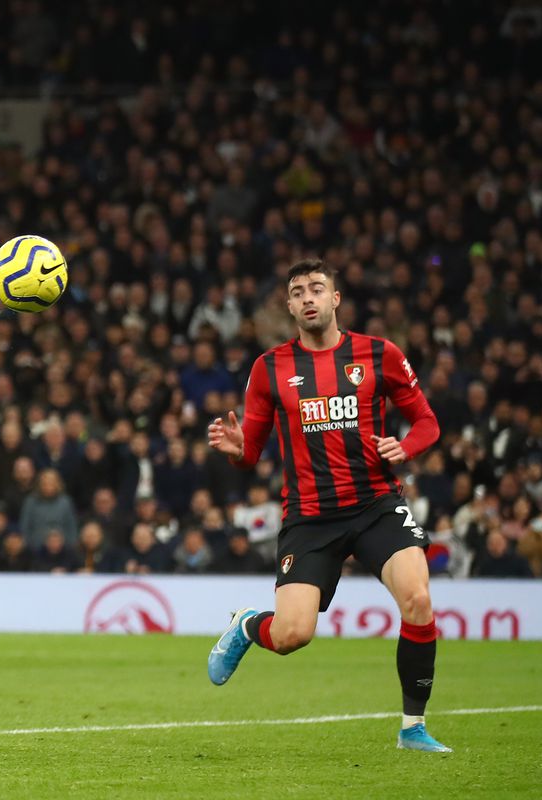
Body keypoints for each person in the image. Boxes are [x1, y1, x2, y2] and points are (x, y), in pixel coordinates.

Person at [206, 258, 449, 752]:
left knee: (419, 601)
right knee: (294, 634)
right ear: (290, 306)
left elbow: (427, 422)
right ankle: (249, 625)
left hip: (376, 503)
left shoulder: (379, 354)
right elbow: (250, 453)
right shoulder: (269, 367)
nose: (308, 297)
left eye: (317, 288)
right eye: (298, 292)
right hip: (310, 516)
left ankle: (412, 728)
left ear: (335, 299)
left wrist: (409, 447)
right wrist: (237, 450)